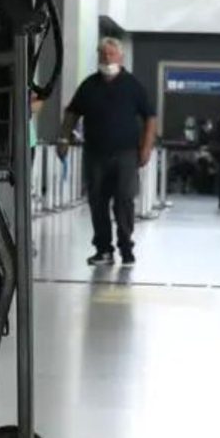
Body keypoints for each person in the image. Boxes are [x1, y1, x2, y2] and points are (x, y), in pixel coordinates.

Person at [58, 38, 156, 267]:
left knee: (124, 200)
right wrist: (63, 138)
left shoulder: (133, 85)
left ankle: (126, 247)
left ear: (120, 57)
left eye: (111, 55)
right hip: (95, 155)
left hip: (126, 155)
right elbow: (72, 114)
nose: (107, 59)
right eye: (103, 55)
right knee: (97, 202)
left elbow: (150, 117)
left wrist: (146, 147)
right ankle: (103, 250)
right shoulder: (89, 85)